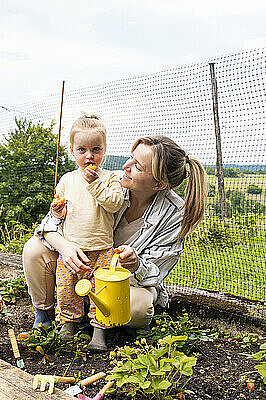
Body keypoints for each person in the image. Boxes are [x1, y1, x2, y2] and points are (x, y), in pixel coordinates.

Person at [23, 135, 207, 352]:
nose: (125, 166)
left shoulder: (175, 213)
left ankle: (100, 316)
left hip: (123, 280)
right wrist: (65, 246)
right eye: (130, 158)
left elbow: (156, 272)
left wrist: (135, 264)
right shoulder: (107, 181)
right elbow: (49, 224)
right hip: (79, 263)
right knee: (35, 249)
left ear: (159, 184)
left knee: (138, 308)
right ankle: (45, 313)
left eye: (137, 166)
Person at [50, 114, 124, 351]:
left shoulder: (110, 178)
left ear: (104, 150)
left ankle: (99, 334)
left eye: (95, 149)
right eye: (82, 149)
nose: (89, 156)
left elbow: (114, 204)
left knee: (101, 291)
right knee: (66, 288)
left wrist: (95, 184)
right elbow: (60, 215)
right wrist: (58, 211)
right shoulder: (67, 179)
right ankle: (68, 326)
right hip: (74, 249)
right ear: (72, 151)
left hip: (102, 249)